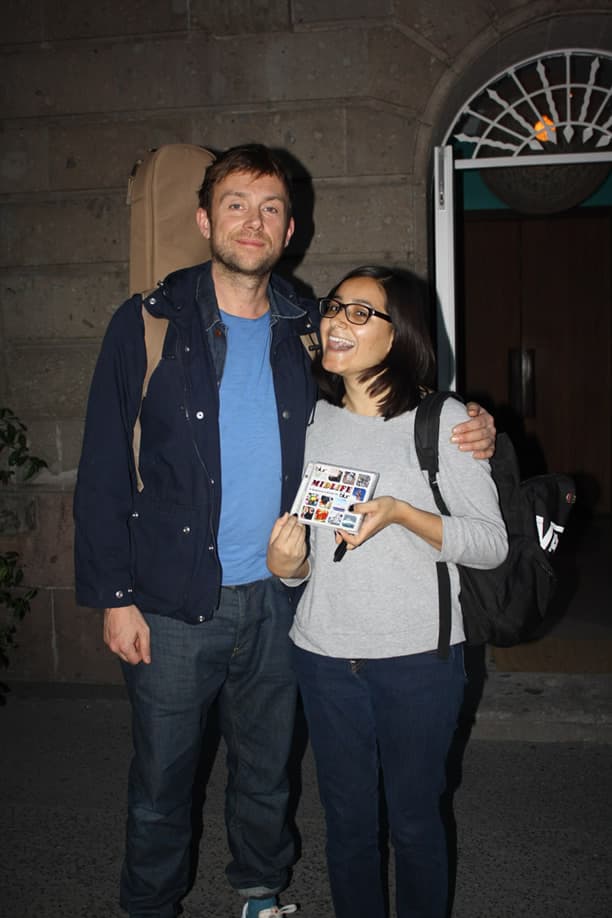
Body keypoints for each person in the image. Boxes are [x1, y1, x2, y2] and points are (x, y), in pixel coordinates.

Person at [73, 145, 496, 918]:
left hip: (282, 599)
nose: (253, 221)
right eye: (235, 204)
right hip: (171, 601)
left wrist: (470, 423)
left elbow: (386, 392)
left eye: (270, 208)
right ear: (206, 220)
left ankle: (259, 895)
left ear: (289, 229)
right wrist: (114, 596)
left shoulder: (306, 329)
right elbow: (103, 462)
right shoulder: (148, 323)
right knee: (162, 780)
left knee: (267, 773)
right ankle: (149, 905)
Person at [267, 266, 508, 918]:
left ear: (398, 333)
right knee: (346, 824)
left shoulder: (443, 419)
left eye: (360, 312)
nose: (336, 321)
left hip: (416, 660)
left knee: (414, 821)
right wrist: (287, 566)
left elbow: (491, 544)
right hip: (323, 655)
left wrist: (402, 513)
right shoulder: (312, 420)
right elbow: (311, 558)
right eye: (334, 307)